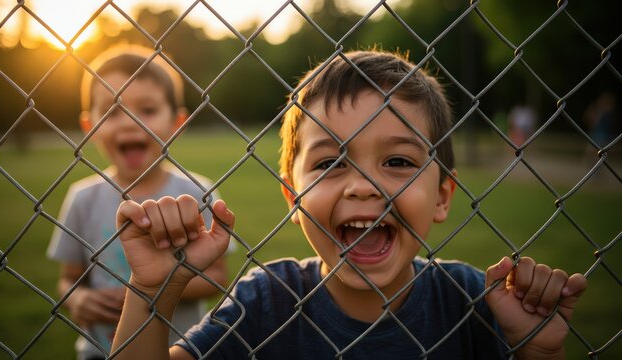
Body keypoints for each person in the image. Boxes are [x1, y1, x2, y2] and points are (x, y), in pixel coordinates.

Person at [110, 50, 587, 359]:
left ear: (442, 194)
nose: (362, 186)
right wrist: (153, 293)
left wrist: (536, 352)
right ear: (292, 197)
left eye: (398, 160)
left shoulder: (472, 303)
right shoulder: (266, 303)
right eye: (330, 163)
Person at [47, 45, 231, 360]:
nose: (130, 122)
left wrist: (150, 292)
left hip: (181, 348)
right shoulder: (83, 198)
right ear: (89, 126)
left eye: (147, 110)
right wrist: (77, 300)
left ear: (177, 122)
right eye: (112, 111)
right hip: (99, 350)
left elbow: (217, 276)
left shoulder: (195, 191)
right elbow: (69, 278)